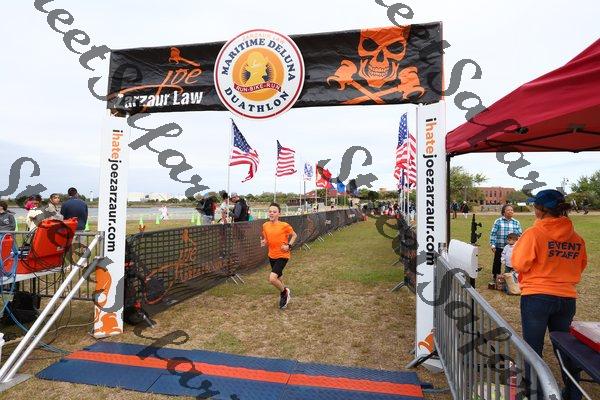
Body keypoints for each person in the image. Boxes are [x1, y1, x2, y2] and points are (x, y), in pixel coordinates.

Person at [512, 189, 587, 400]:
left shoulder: (534, 233)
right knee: (565, 348)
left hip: (536, 297)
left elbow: (519, 263)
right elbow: (580, 265)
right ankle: (573, 393)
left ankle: (534, 395)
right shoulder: (577, 238)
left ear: (541, 210)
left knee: (532, 348)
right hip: (566, 298)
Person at [260, 202, 297, 309]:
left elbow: (294, 235)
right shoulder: (265, 225)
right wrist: (264, 242)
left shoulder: (284, 225)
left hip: (282, 255)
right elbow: (266, 239)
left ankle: (284, 293)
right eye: (270, 211)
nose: (271, 213)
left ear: (279, 214)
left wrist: (289, 246)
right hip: (271, 255)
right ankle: (285, 292)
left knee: (272, 279)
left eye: (274, 212)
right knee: (279, 278)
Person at [489, 204, 522, 282]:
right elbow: (493, 234)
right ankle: (496, 276)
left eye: (512, 210)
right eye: (508, 210)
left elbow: (520, 235)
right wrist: (493, 245)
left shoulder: (516, 222)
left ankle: (512, 277)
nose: (510, 211)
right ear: (503, 212)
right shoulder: (498, 221)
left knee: (512, 262)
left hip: (512, 248)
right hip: (500, 246)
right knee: (497, 261)